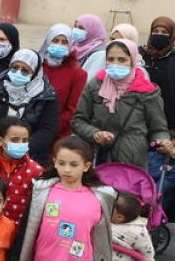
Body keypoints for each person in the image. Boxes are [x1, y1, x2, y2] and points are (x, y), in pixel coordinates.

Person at [10, 136, 115, 261]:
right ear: (55, 162)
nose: (67, 169)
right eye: (61, 163)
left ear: (86, 166)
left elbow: (102, 237)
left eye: (74, 164)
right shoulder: (43, 190)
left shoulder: (101, 197)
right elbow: (27, 227)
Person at [72, 38, 173, 168]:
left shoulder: (147, 91)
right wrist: (94, 134)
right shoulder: (95, 85)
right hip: (98, 157)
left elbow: (158, 128)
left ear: (133, 60)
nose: (115, 64)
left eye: (122, 60)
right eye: (111, 59)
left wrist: (162, 141)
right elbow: (78, 120)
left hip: (132, 160)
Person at [0, 50, 58, 162]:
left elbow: (47, 128)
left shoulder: (46, 95)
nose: (18, 73)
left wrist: (22, 149)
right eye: (15, 68)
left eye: (25, 70)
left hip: (29, 155)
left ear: (35, 73)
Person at [0, 116, 44, 228]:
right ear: (0, 140)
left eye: (25, 140)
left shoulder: (36, 170)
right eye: (15, 140)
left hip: (16, 231)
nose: (21, 144)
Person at [38, 23, 87, 140]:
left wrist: (49, 129)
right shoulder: (36, 66)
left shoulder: (77, 74)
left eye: (64, 42)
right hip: (31, 130)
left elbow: (73, 109)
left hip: (58, 134)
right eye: (55, 41)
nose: (59, 45)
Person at [108, 192, 159, 261]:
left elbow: (147, 248)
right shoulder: (139, 231)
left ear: (119, 217)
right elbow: (147, 249)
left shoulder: (137, 230)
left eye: (109, 208)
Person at [141, 17, 175, 143]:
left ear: (171, 35)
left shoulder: (173, 57)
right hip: (140, 121)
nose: (159, 35)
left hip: (168, 123)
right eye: (156, 31)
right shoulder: (141, 54)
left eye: (164, 32)